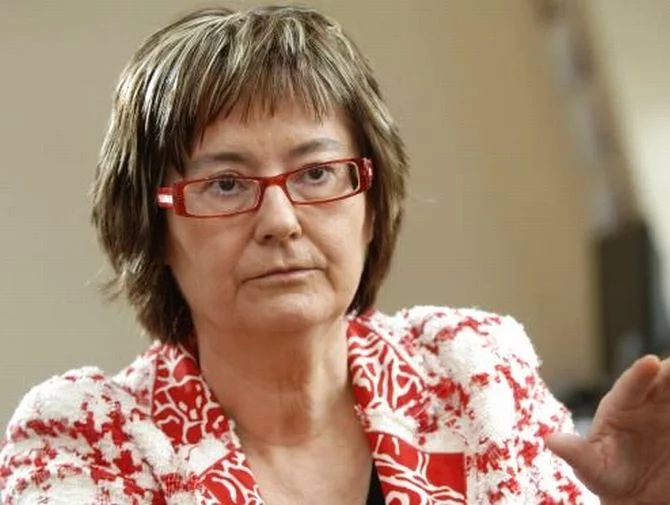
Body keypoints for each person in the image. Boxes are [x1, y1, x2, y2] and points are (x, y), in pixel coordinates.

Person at [1, 5, 669, 504]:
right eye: (226, 184)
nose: (280, 221)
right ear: (153, 228)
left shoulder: (472, 374)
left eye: (317, 173)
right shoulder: (84, 440)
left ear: (370, 205)